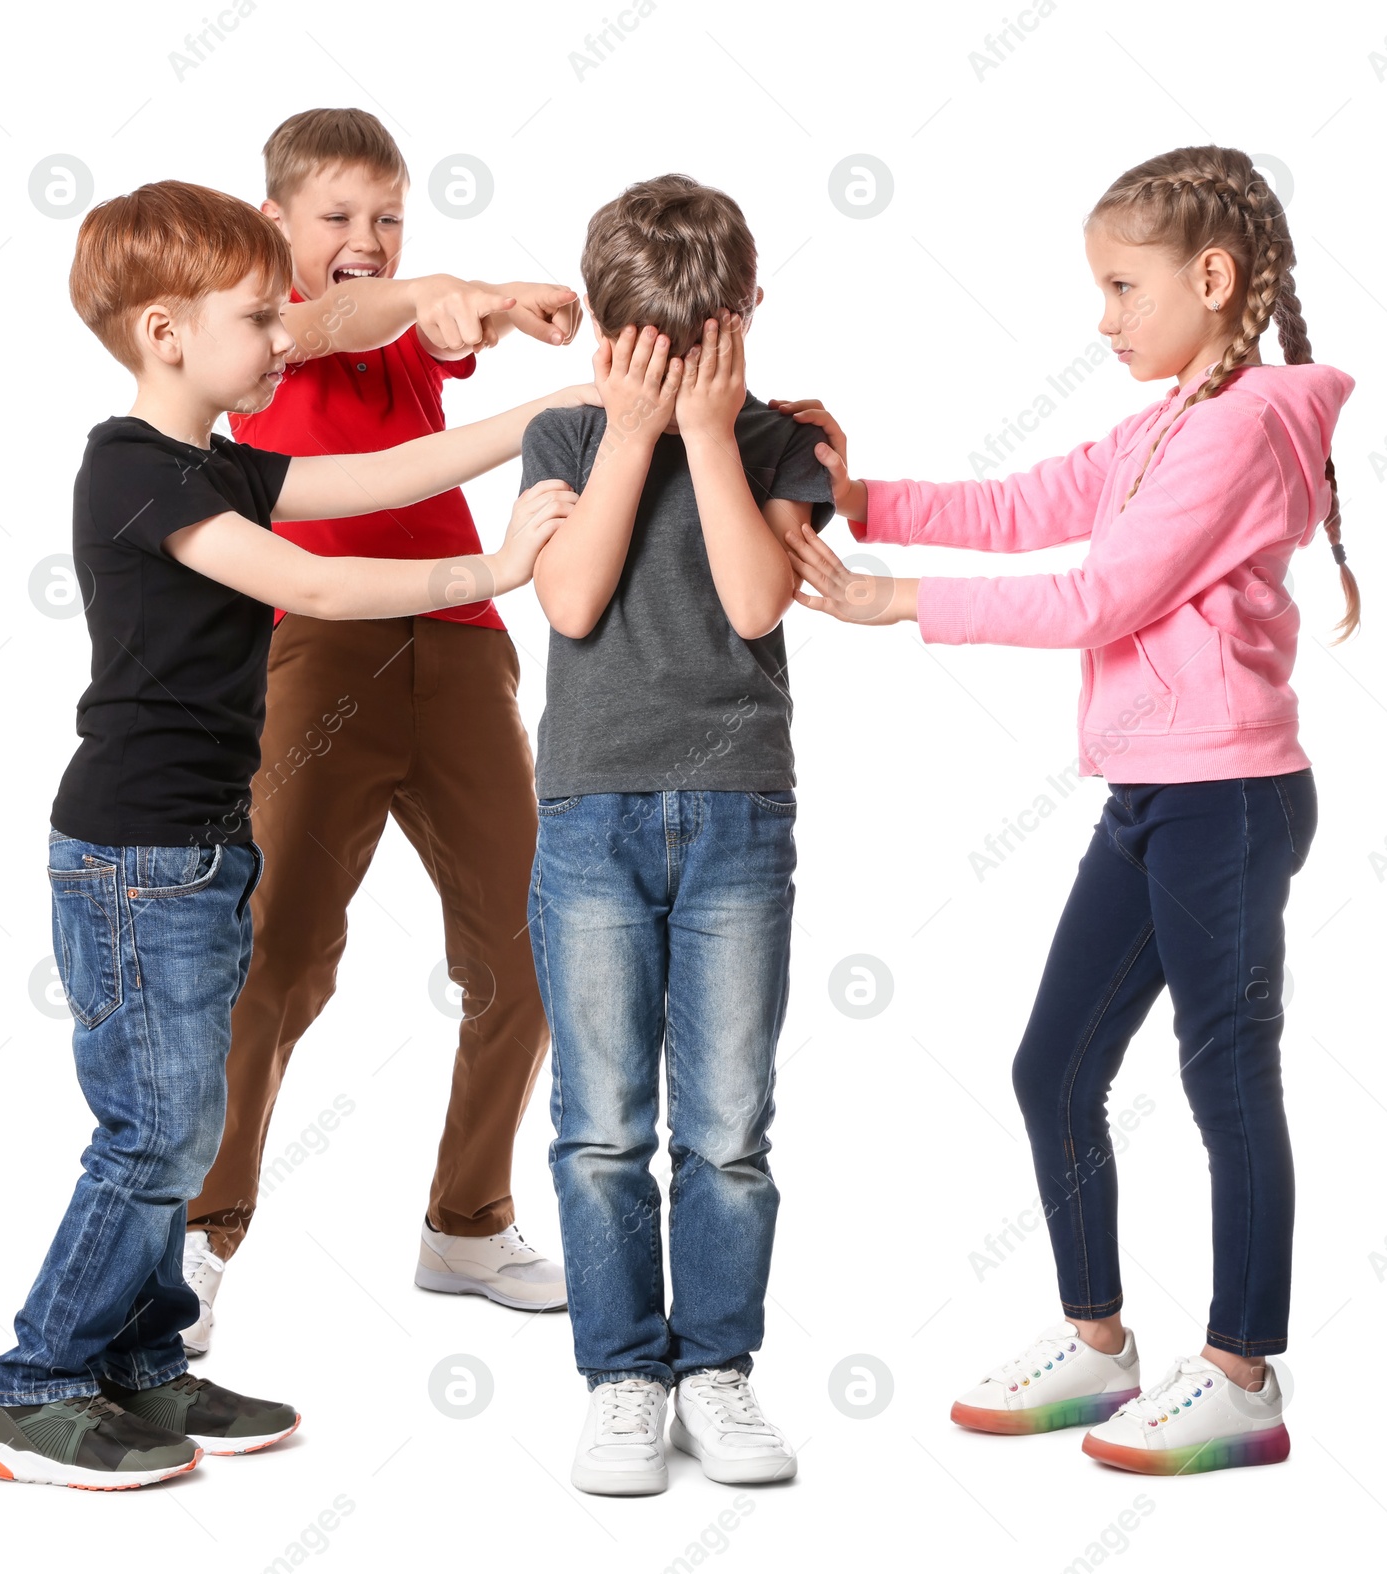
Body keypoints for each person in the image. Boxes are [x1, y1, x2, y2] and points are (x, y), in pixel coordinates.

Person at [0, 179, 588, 1490]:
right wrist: (489, 572)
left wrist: (550, 413)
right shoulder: (133, 468)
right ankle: (37, 1387)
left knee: (183, 1128)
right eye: (259, 318)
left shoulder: (219, 464)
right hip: (135, 857)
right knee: (151, 1137)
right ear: (164, 334)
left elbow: (384, 474)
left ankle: (145, 1364)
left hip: (197, 852)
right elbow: (310, 580)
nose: (280, 338)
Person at [784, 145, 1355, 1475]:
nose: (1102, 318)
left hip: (1229, 797)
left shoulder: (1244, 424)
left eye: (1121, 287)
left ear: (1210, 280)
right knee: (1056, 1066)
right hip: (1159, 793)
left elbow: (1102, 598)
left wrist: (898, 598)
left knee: (1224, 1078)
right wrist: (860, 499)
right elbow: (1031, 503)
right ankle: (1100, 1344)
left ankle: (1241, 1374)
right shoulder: (1166, 417)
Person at [181, 108, 583, 1351]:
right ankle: (198, 1233)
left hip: (462, 644)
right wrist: (442, 286)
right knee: (280, 955)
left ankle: (467, 1222)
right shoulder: (262, 334)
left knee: (531, 952)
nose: (365, 239)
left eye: (387, 216)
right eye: (338, 218)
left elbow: (418, 336)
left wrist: (503, 305)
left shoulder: (407, 339)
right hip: (320, 650)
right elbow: (347, 317)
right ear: (274, 228)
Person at [522, 175, 833, 1495]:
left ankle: (715, 1366)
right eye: (645, 348)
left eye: (694, 345)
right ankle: (622, 1377)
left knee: (727, 1125)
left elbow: (759, 602)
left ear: (744, 318)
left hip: (739, 819)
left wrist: (708, 432)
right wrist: (634, 431)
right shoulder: (562, 436)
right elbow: (576, 598)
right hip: (593, 809)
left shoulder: (780, 443)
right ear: (609, 329)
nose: (668, 371)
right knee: (600, 1124)